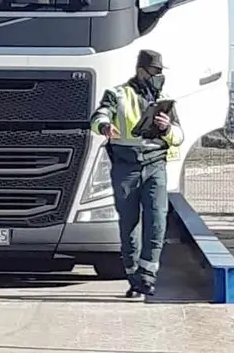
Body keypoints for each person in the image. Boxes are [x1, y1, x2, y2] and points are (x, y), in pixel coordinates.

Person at [89, 49, 184, 298]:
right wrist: (105, 126)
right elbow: (98, 115)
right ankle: (133, 276)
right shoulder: (118, 94)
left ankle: (147, 276)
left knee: (157, 220)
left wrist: (166, 128)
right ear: (141, 70)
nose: (158, 76)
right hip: (126, 166)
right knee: (129, 223)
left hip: (156, 165)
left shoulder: (165, 100)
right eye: (154, 71)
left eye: (161, 72)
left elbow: (179, 136)